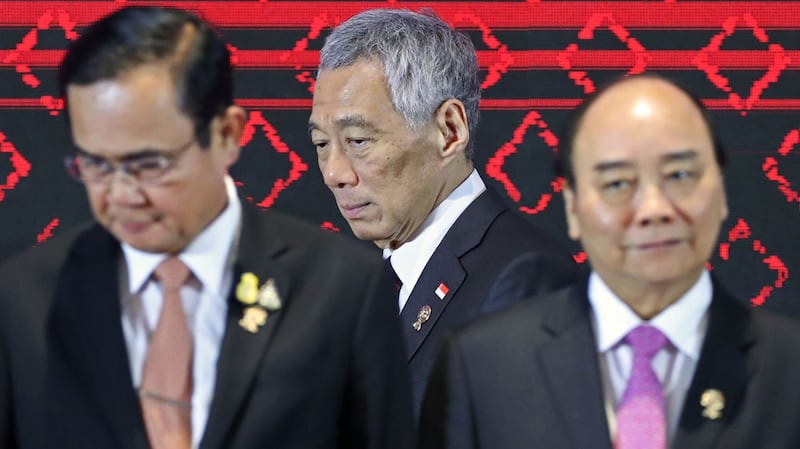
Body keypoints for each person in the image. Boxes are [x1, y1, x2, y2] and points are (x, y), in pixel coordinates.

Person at [0, 6, 414, 449]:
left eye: (149, 165)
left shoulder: (341, 288)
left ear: (226, 135)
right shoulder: (25, 299)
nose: (121, 195)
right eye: (96, 165)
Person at [420, 74, 800, 449]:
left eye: (680, 175)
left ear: (720, 189)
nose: (654, 209)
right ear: (572, 207)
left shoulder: (789, 367)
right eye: (618, 183)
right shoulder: (482, 366)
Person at [309, 8, 579, 415]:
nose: (334, 173)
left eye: (359, 140)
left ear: (449, 130)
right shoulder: (357, 290)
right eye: (321, 144)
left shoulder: (527, 280)